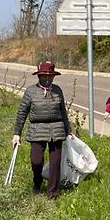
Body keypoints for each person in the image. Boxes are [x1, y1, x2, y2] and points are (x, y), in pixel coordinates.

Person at [12, 61, 72, 198]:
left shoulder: (57, 90)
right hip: (37, 128)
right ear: (39, 76)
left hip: (57, 128)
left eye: (50, 75)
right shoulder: (31, 91)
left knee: (55, 162)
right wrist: (17, 134)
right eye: (44, 75)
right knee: (36, 161)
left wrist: (69, 130)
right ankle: (37, 181)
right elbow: (22, 112)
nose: (47, 78)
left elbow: (63, 111)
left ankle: (53, 192)